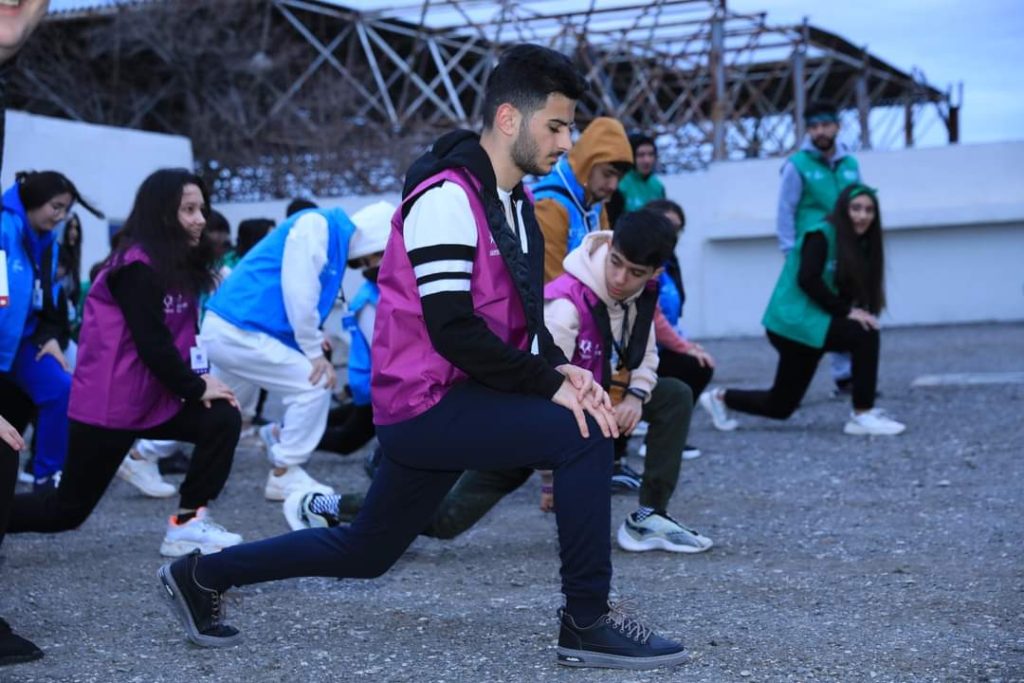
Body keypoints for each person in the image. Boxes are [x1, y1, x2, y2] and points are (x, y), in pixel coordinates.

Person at [158, 43, 688, 671]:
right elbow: (453, 330)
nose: (566, 142)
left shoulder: (514, 201)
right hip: (424, 403)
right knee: (583, 432)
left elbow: (522, 319)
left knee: (366, 552)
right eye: (555, 126)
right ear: (509, 119)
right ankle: (587, 620)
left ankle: (200, 575)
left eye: (569, 127)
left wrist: (562, 367)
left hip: (455, 396)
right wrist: (550, 387)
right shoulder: (447, 198)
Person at [294, 210, 713, 557]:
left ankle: (648, 516)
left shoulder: (641, 295)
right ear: (609, 246)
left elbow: (646, 353)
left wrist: (636, 396)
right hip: (532, 415)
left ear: (654, 273)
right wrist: (552, 475)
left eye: (635, 272)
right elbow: (545, 383)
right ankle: (330, 505)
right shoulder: (567, 302)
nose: (620, 278)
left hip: (594, 403)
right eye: (616, 262)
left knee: (673, 394)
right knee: (446, 520)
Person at [5, 168, 244, 558]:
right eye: (189, 210)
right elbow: (153, 344)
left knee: (222, 416)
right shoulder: (135, 267)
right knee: (64, 512)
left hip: (153, 399)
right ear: (162, 213)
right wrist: (197, 386)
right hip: (111, 407)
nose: (201, 219)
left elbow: (183, 337)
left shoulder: (177, 266)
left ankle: (187, 525)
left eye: (202, 209)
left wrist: (201, 382)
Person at [701, 184, 905, 436]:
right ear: (843, 209)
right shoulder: (820, 234)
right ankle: (863, 414)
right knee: (864, 334)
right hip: (793, 323)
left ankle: (719, 398)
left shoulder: (859, 243)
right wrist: (845, 312)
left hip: (814, 322)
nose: (862, 215)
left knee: (780, 406)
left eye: (869, 210)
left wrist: (851, 310)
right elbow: (808, 279)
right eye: (856, 208)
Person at [200, 196, 364, 500]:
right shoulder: (316, 225)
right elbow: (299, 291)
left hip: (229, 329)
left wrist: (310, 339)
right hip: (239, 331)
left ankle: (144, 453)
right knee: (314, 383)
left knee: (218, 403)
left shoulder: (321, 228)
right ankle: (285, 472)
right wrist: (313, 351)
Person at [1, 171, 102, 489]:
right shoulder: (4, 232)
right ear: (34, 201)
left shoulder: (48, 244)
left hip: (24, 344)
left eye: (65, 209)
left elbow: (48, 303)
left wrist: (50, 338)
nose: (60, 216)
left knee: (61, 386)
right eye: (55, 207)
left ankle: (47, 477)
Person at [777, 100, 862, 397]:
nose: (820, 132)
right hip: (810, 254)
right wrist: (789, 252)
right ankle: (789, 385)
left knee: (844, 308)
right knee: (804, 315)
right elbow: (785, 210)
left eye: (826, 125)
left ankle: (846, 376)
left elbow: (860, 204)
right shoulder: (796, 165)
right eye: (813, 127)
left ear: (837, 126)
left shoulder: (850, 164)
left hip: (844, 252)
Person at [644, 199, 731, 444]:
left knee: (699, 362)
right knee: (693, 365)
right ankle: (659, 436)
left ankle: (665, 434)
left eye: (678, 228)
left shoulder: (669, 262)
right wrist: (684, 346)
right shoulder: (642, 262)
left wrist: (687, 344)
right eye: (668, 225)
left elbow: (671, 316)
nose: (673, 234)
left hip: (658, 347)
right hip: (638, 351)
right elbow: (653, 318)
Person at [531, 116, 633, 282]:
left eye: (619, 178)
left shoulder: (595, 200)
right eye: (607, 174)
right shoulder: (549, 206)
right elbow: (552, 285)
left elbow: (606, 262)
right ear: (587, 164)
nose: (613, 185)